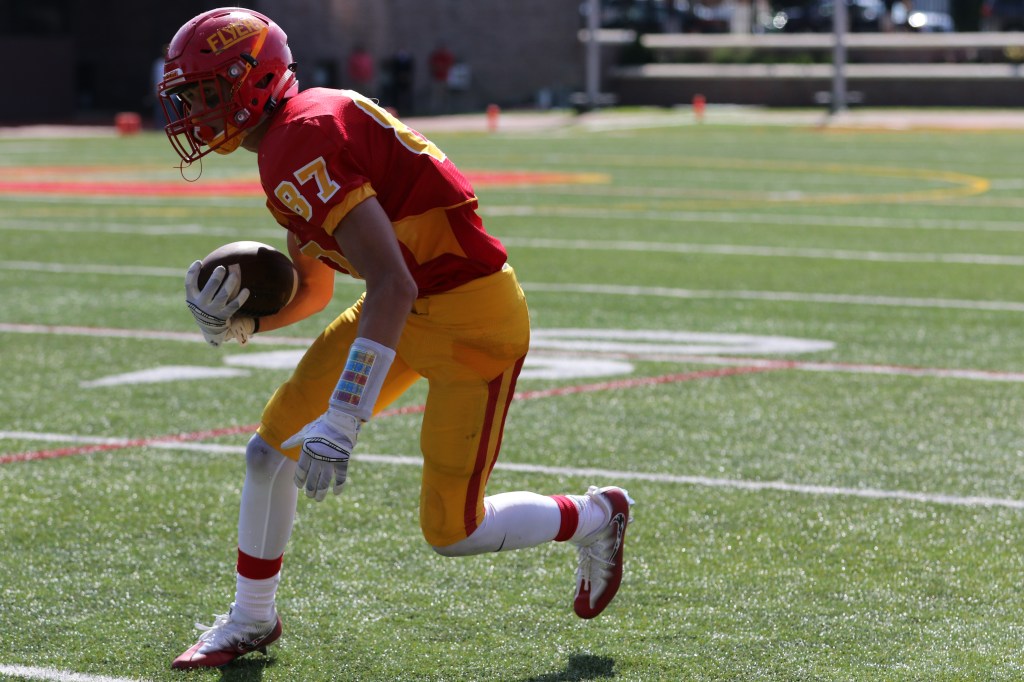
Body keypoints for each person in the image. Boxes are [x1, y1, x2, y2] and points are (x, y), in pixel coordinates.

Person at [157, 8, 634, 670]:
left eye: (204, 92)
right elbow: (317, 288)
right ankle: (251, 617)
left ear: (251, 80)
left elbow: (392, 284)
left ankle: (594, 515)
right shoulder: (293, 137)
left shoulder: (301, 139)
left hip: (472, 320)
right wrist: (248, 322)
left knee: (453, 531)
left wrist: (344, 417)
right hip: (403, 312)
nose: (193, 113)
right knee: (269, 452)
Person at [428, 42, 455, 114]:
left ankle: (446, 110)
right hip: (436, 78)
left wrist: (442, 68)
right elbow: (432, 65)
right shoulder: (435, 56)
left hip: (445, 78)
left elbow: (449, 65)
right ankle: (435, 110)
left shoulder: (447, 56)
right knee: (436, 96)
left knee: (445, 95)